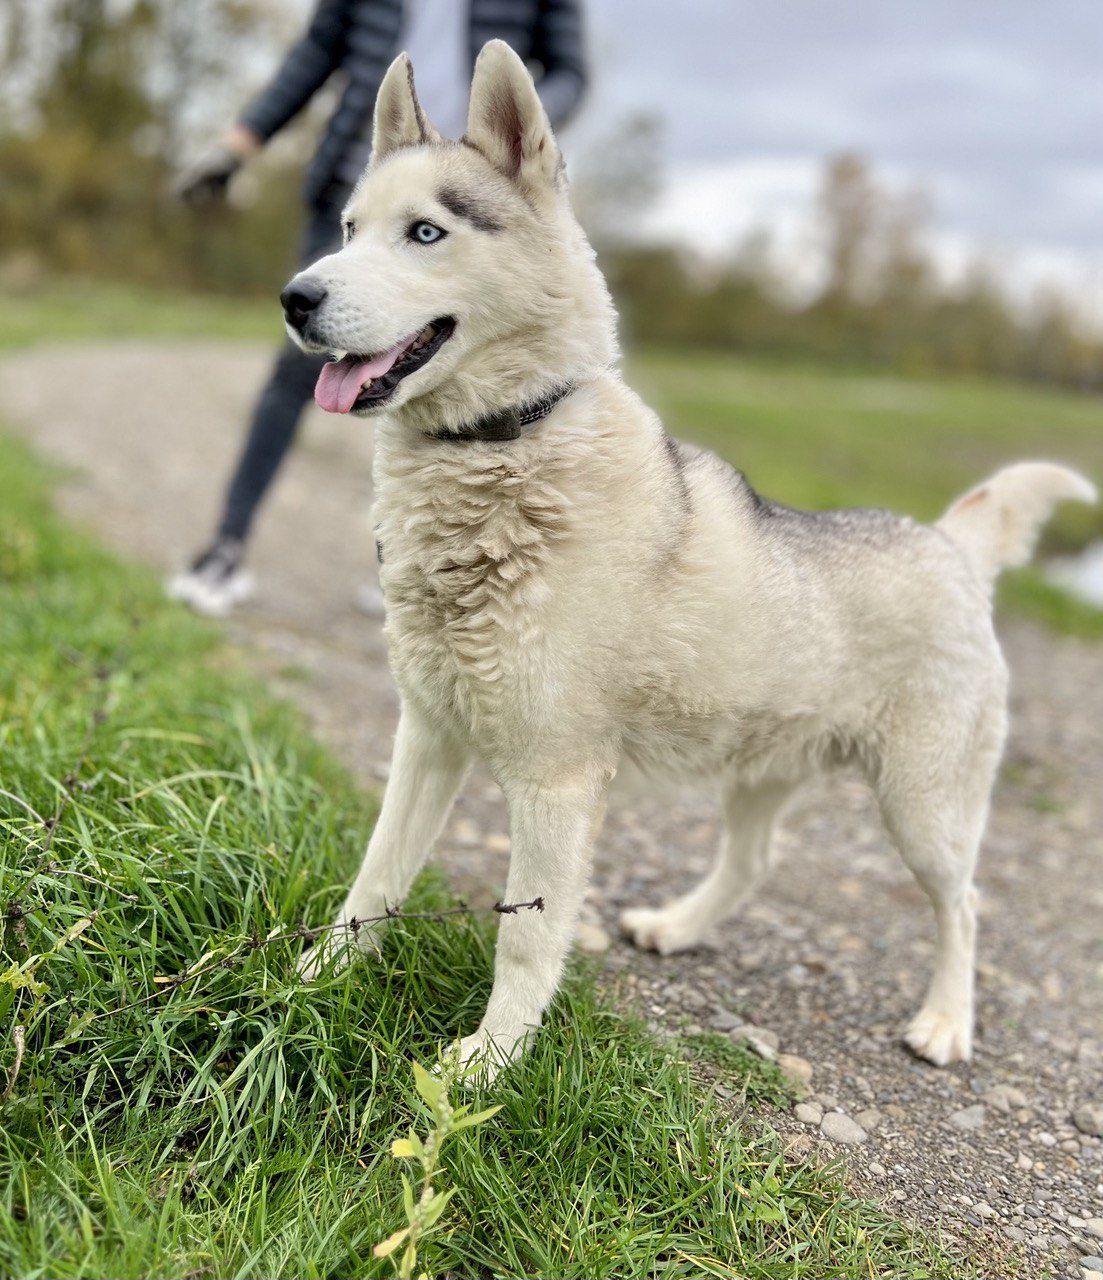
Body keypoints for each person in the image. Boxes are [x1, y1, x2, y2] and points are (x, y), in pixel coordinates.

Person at [170, 0, 588, 617]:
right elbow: (317, 51)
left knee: (435, 381)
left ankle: (406, 569)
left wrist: (510, 136)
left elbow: (572, 70)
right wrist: (239, 144)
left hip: (472, 195)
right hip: (367, 176)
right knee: (306, 365)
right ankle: (227, 545)